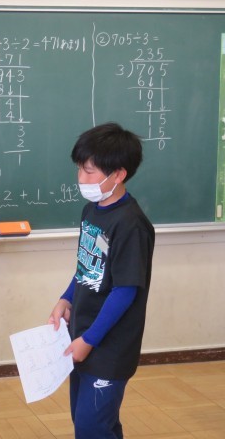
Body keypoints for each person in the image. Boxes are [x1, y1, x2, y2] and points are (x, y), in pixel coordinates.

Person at [48, 122, 155, 439]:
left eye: (90, 171)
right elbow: (86, 267)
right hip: (82, 334)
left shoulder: (131, 225)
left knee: (92, 427)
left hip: (108, 346)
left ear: (118, 174)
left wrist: (89, 340)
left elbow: (125, 291)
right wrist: (66, 298)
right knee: (89, 424)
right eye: (80, 169)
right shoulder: (91, 211)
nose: (81, 179)